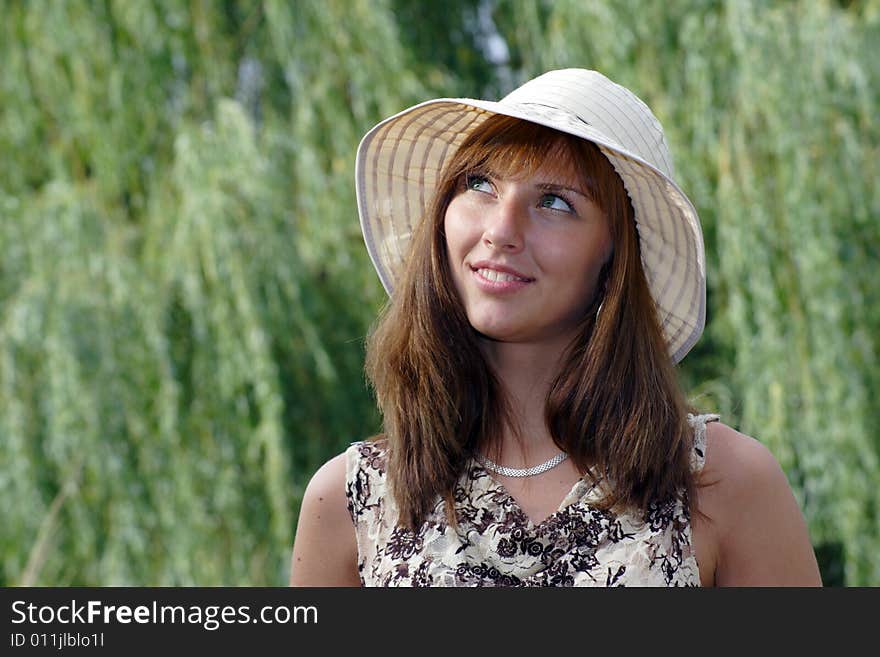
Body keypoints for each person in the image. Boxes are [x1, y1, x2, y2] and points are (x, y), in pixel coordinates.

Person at [288, 69, 822, 587]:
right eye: (481, 184)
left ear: (614, 255)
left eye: (555, 202)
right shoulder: (354, 497)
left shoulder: (721, 482)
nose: (501, 231)